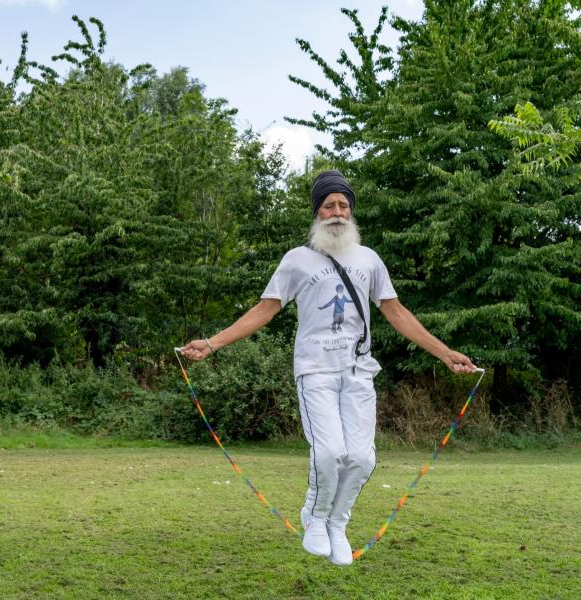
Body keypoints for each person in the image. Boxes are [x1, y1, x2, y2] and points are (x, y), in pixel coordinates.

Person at [180, 170, 477, 566]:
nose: (337, 211)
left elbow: (396, 312)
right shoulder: (297, 261)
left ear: (351, 211)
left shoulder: (369, 259)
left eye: (343, 205)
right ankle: (316, 518)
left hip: (358, 372)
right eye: (329, 205)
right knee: (329, 453)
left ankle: (337, 523)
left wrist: (444, 352)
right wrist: (213, 342)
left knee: (362, 459)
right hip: (315, 372)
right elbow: (263, 310)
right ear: (317, 212)